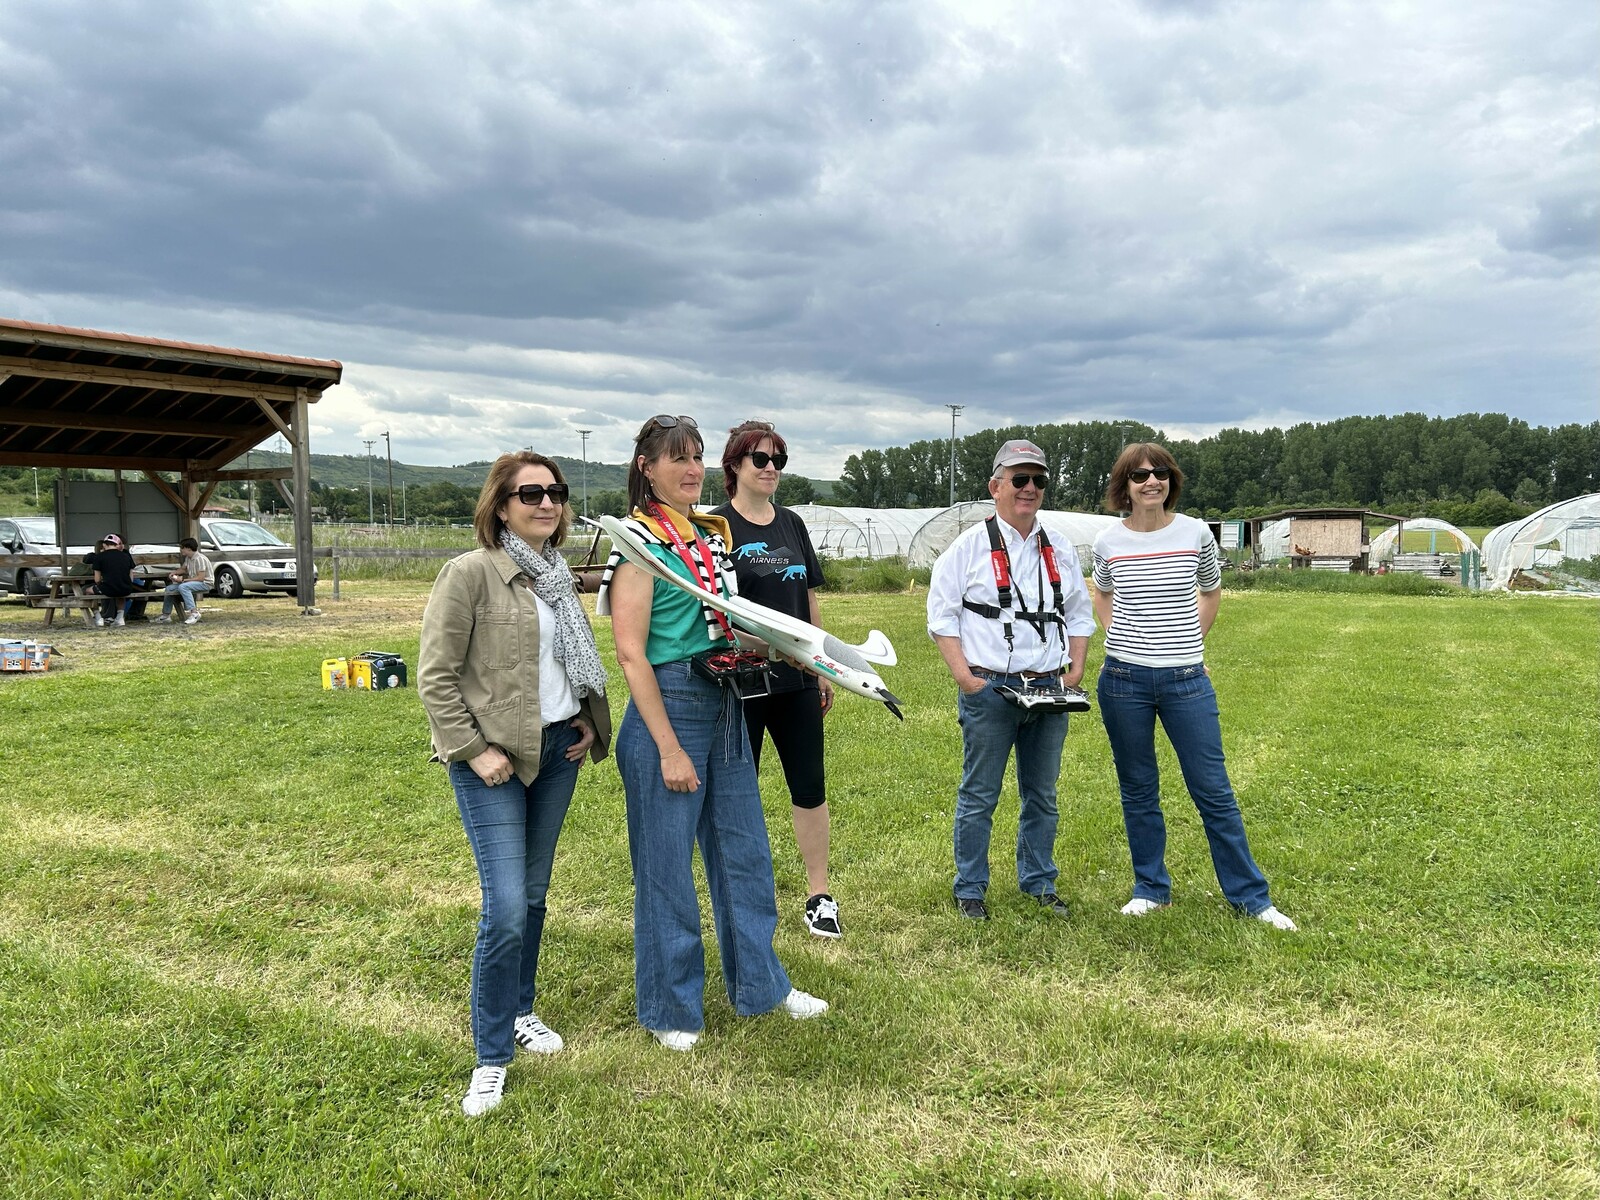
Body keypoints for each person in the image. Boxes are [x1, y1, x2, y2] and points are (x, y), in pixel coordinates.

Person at [597, 413, 827, 1052]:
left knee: (745, 852)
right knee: (666, 866)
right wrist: (668, 746)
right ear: (647, 468)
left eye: (697, 457)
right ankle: (670, 1007)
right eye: (678, 459)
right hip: (669, 705)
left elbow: (720, 626)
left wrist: (790, 645)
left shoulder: (708, 535)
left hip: (727, 697)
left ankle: (763, 987)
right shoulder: (637, 542)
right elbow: (631, 653)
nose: (693, 469)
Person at [418, 451, 612, 1117]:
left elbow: (568, 666)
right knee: (502, 906)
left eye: (555, 492)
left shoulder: (556, 576)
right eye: (530, 493)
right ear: (500, 505)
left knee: (532, 896)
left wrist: (586, 721)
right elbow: (436, 677)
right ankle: (491, 1054)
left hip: (558, 749)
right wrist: (473, 751)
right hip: (493, 758)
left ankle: (522, 1008)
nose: (546, 503)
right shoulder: (469, 574)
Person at [1091, 443, 1296, 931]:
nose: (1150, 482)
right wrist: (1117, 633)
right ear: (1125, 486)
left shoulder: (1196, 534)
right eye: (1139, 475)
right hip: (1123, 681)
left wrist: (1187, 643)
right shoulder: (1107, 542)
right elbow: (1101, 592)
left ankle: (1250, 897)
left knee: (1213, 790)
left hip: (1187, 681)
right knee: (1138, 789)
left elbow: (1210, 590)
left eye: (1159, 473)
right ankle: (1150, 889)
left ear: (1171, 480)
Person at [926, 440, 1095, 921]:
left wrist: (1076, 669)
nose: (1029, 489)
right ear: (995, 487)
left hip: (1048, 687)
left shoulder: (1059, 547)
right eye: (1019, 479)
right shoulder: (968, 548)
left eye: (1038, 480)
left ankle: (1039, 882)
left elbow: (1080, 615)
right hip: (992, 688)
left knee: (1043, 794)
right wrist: (966, 679)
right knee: (980, 794)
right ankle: (970, 887)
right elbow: (942, 617)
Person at [710, 421, 841, 939]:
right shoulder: (713, 526)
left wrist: (823, 660)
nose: (770, 469)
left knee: (809, 784)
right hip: (742, 680)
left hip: (797, 679)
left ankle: (818, 895)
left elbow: (808, 595)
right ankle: (744, 894)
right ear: (734, 466)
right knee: (739, 792)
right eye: (759, 460)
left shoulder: (791, 524)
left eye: (777, 461)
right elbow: (711, 607)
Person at [157, 537, 212, 624]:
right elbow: (183, 569)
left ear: (188, 548)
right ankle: (166, 615)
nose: (181, 550)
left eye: (182, 548)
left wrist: (183, 580)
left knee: (183, 586)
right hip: (193, 583)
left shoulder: (200, 559)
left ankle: (194, 613)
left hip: (205, 583)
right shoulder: (188, 558)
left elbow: (201, 578)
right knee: (169, 588)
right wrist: (174, 573)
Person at [88, 533, 138, 628]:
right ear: (117, 544)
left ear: (104, 545)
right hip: (126, 588)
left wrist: (101, 585)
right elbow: (131, 577)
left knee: (87, 591)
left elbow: (97, 579)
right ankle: (120, 618)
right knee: (120, 594)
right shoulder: (126, 556)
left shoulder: (99, 557)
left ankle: (98, 617)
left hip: (108, 588)